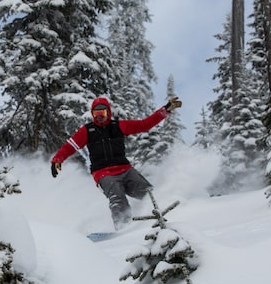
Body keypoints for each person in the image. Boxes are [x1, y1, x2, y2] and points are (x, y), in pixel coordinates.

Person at [50, 96, 182, 230]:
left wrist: (165, 110)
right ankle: (123, 227)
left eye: (103, 112)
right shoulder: (87, 131)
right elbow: (70, 146)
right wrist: (57, 159)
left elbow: (145, 124)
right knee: (117, 195)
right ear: (92, 114)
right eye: (96, 113)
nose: (100, 116)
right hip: (103, 173)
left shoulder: (118, 126)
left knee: (148, 192)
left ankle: (163, 216)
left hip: (125, 169)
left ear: (109, 112)